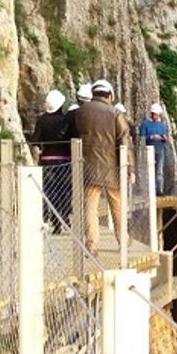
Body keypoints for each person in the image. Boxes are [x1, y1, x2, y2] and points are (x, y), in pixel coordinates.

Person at [72, 78, 133, 253]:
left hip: (89, 166)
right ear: (110, 95)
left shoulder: (81, 112)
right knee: (117, 205)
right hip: (112, 167)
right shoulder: (115, 113)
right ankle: (123, 241)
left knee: (90, 207)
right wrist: (130, 168)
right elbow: (125, 141)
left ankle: (92, 245)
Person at [29, 89, 73, 232]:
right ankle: (64, 217)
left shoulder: (41, 120)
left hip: (46, 160)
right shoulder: (64, 120)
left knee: (49, 191)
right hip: (64, 161)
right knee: (64, 191)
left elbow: (35, 140)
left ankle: (54, 221)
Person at [138, 104, 169, 195]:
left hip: (160, 148)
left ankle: (158, 190)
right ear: (152, 114)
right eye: (156, 114)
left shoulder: (162, 125)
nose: (157, 116)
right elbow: (142, 137)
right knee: (149, 169)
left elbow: (164, 138)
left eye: (158, 115)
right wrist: (152, 137)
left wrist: (164, 138)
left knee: (159, 170)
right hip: (149, 148)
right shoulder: (145, 124)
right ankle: (148, 190)